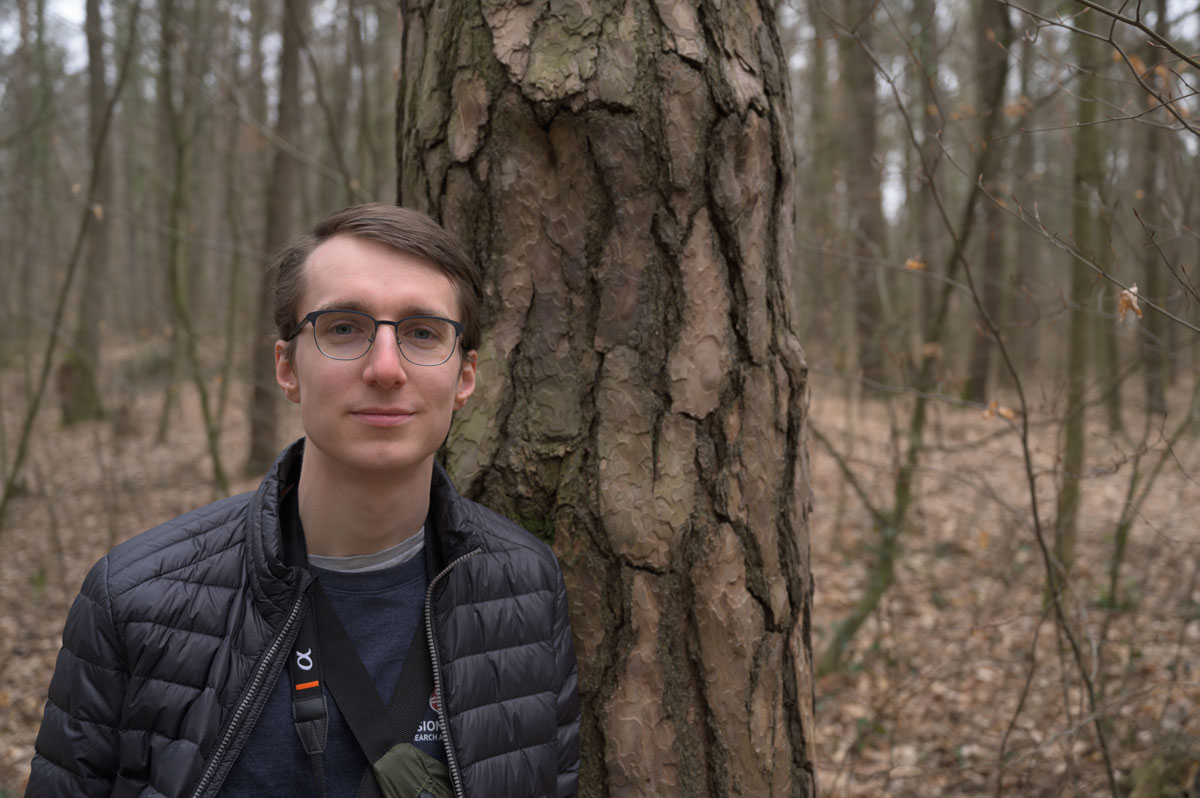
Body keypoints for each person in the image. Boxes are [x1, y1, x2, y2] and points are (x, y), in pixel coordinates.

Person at [25, 204, 581, 798]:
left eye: (423, 333)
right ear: (287, 367)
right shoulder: (133, 601)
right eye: (344, 328)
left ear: (464, 377)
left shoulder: (525, 587)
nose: (386, 368)